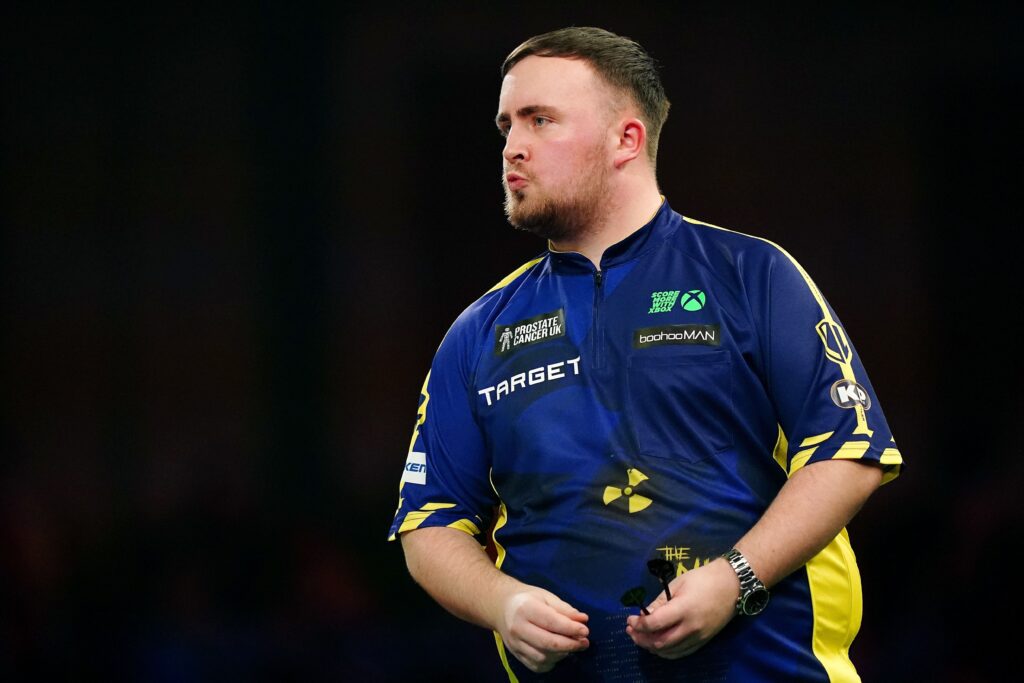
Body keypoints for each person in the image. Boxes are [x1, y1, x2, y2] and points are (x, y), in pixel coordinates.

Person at [388, 26, 903, 682]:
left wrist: (735, 578)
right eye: (506, 125)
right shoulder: (478, 330)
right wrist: (502, 602)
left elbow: (849, 453)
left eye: (540, 120)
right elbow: (429, 523)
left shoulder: (753, 275)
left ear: (626, 139)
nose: (513, 146)